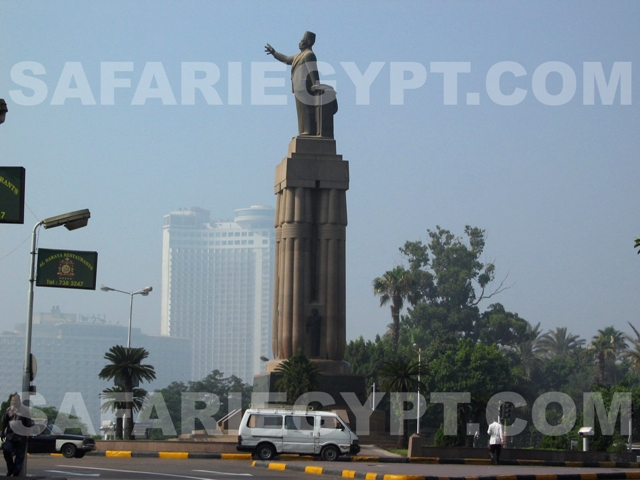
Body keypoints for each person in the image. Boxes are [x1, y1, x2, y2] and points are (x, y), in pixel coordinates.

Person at [265, 32, 321, 136]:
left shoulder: (309, 55)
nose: (300, 42)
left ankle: (309, 130)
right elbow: (286, 59)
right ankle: (302, 131)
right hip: (297, 88)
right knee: (300, 112)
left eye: (302, 40)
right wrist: (274, 53)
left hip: (306, 87)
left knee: (307, 109)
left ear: (308, 42)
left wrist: (316, 84)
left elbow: (313, 71)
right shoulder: (298, 56)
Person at [1, 394, 32, 476]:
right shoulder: (8, 410)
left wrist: (28, 434)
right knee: (6, 450)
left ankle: (16, 472)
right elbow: (4, 422)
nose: (13, 402)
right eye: (12, 400)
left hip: (21, 436)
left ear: (19, 400)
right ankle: (10, 468)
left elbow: (28, 424)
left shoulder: (25, 411)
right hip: (10, 435)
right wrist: (2, 432)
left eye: (15, 400)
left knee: (20, 455)